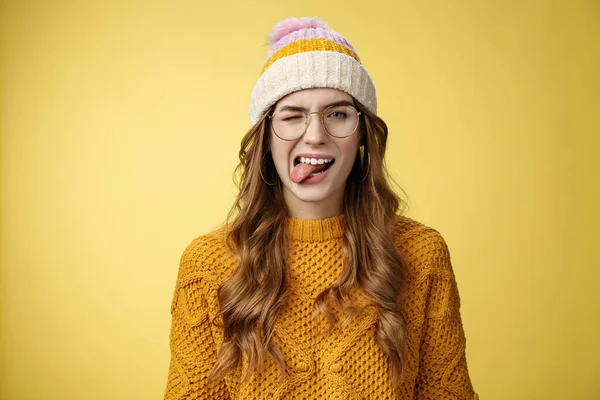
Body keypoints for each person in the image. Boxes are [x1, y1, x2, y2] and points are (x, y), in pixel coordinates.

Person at [163, 16, 478, 400]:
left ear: (363, 135)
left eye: (338, 114)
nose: (315, 135)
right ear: (265, 137)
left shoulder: (421, 254)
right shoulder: (208, 265)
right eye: (293, 115)